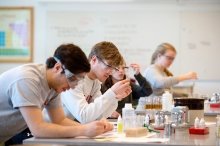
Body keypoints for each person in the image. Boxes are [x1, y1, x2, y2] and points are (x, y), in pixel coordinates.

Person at [0, 44, 113, 145]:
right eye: (72, 79)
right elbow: (38, 129)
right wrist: (83, 130)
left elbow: (60, 120)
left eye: (79, 80)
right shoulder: (27, 80)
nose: (73, 86)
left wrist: (94, 129)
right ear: (58, 67)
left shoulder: (54, 86)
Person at [61, 41, 132, 124]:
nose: (110, 72)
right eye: (109, 66)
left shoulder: (95, 81)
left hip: (71, 130)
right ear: (94, 60)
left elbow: (98, 116)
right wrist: (111, 93)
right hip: (53, 132)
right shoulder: (75, 77)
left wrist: (115, 97)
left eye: (113, 68)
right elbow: (83, 117)